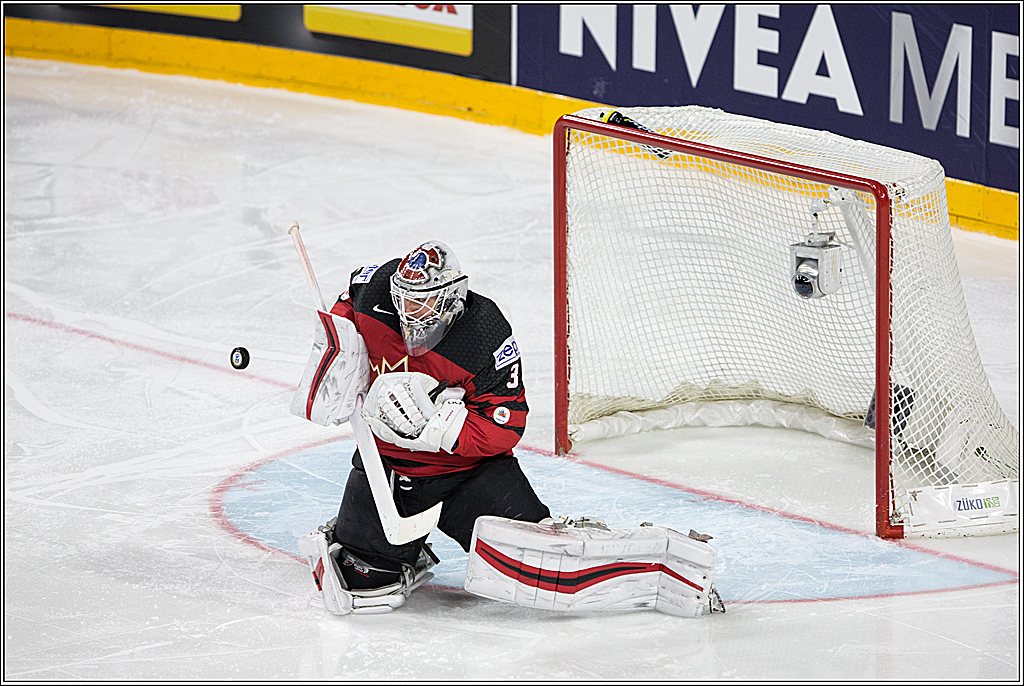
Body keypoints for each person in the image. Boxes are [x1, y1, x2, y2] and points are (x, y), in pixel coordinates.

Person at [306, 240, 550, 613]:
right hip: (386, 470)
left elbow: (508, 425)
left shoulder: (483, 332)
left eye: (423, 303)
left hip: (467, 475)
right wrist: (342, 350)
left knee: (535, 568)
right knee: (363, 583)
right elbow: (346, 305)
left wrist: (440, 427)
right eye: (404, 301)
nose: (410, 314)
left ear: (452, 298)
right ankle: (389, 546)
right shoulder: (373, 292)